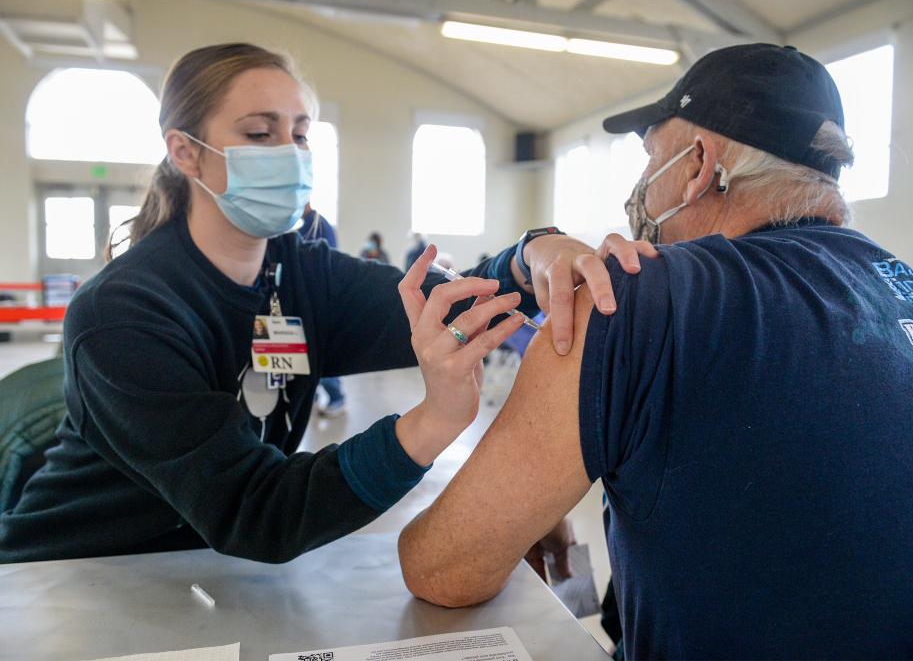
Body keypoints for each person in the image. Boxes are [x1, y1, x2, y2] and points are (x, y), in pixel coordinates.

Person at [398, 44, 913, 659]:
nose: (639, 189)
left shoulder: (630, 296)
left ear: (697, 165)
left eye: (649, 161)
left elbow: (443, 569)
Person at [0, 43, 645, 564]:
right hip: (78, 573)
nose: (289, 153)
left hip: (202, 571)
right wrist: (428, 424)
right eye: (260, 132)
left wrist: (534, 255)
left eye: (301, 133)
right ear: (185, 151)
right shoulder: (127, 313)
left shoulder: (300, 272)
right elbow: (257, 512)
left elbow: (443, 307)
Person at [299, 204, 347, 416]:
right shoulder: (307, 225)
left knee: (320, 355)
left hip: (318, 299)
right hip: (309, 298)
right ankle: (314, 396)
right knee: (308, 355)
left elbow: (320, 262)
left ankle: (336, 398)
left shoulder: (319, 225)